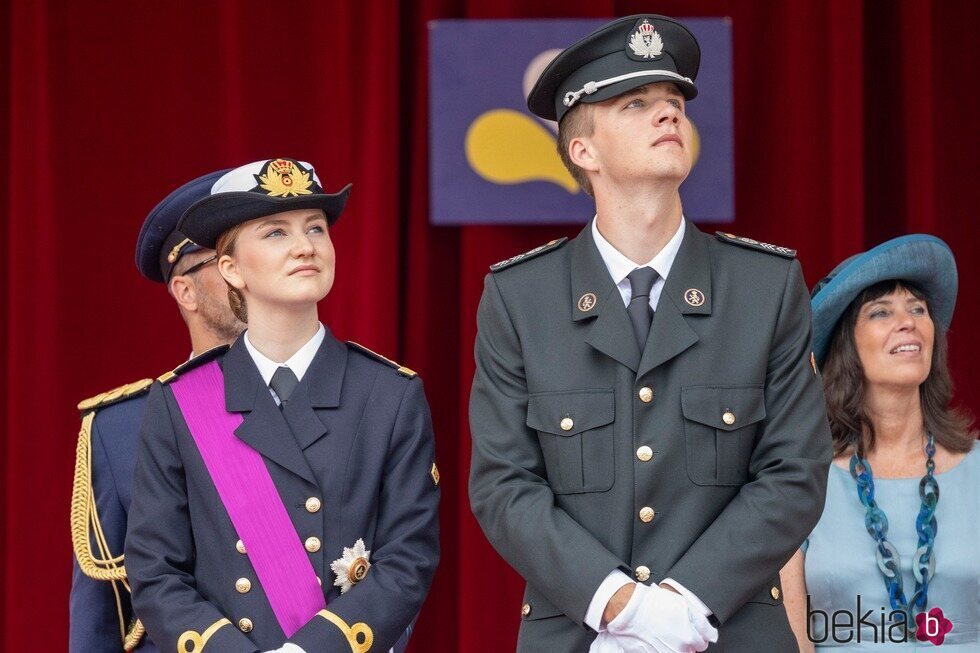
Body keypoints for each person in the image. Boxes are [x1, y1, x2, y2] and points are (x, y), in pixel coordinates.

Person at [468, 14, 832, 652]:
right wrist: (619, 606)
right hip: (580, 636)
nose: (668, 116)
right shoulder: (520, 298)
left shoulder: (765, 285)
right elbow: (503, 484)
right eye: (636, 104)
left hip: (731, 631)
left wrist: (685, 605)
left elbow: (795, 471)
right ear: (583, 150)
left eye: (674, 104)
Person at [125, 158, 440, 653]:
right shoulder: (180, 401)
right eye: (275, 233)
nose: (305, 246)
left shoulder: (390, 394)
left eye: (315, 228)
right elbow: (155, 569)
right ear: (230, 269)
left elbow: (407, 559)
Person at [70, 169, 246, 652]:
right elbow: (101, 617)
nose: (248, 270)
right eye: (225, 259)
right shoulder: (121, 427)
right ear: (185, 291)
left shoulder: (360, 396)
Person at [781, 234, 978, 651]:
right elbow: (792, 640)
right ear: (845, 345)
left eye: (918, 309)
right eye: (881, 312)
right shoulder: (800, 478)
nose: (907, 321)